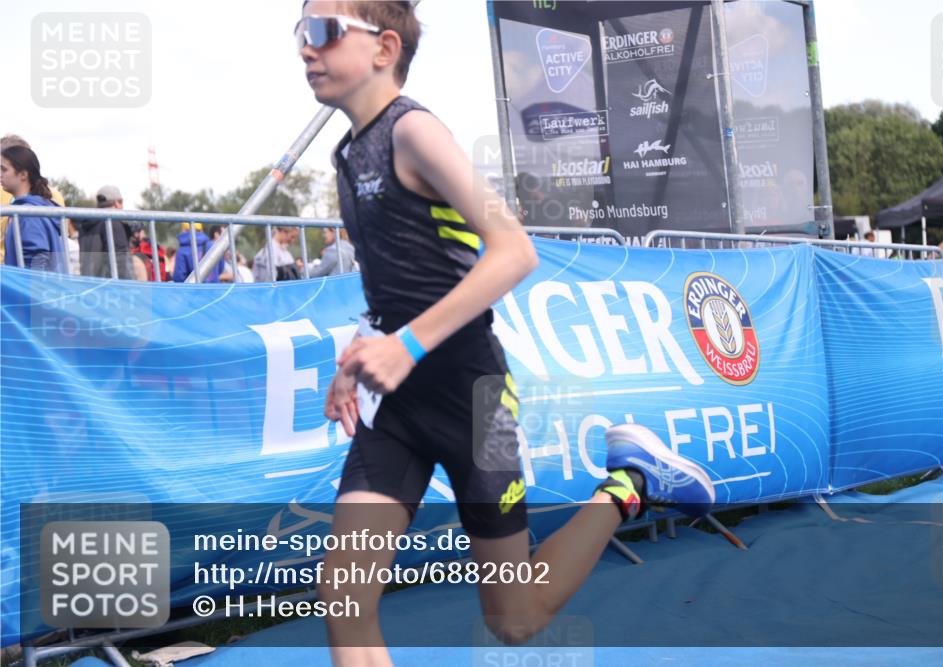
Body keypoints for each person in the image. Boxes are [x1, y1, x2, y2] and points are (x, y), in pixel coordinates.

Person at [299, 3, 715, 663]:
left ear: (382, 49)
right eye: (299, 32)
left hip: (475, 396)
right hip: (398, 407)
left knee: (514, 617)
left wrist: (405, 346)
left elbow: (514, 249)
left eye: (320, 32)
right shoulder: (349, 154)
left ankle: (630, 483)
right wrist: (360, 355)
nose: (304, 48)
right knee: (344, 592)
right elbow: (405, 282)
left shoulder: (415, 132)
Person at [0, 134, 65, 265]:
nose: (0, 174)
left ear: (23, 174)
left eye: (3, 169)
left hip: (20, 283)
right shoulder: (38, 204)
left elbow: (37, 262)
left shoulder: (29, 214)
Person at [78, 185, 133, 278]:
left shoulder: (85, 226)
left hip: (89, 285)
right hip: (110, 288)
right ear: (116, 203)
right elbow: (119, 262)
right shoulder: (113, 222)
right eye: (121, 202)